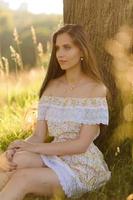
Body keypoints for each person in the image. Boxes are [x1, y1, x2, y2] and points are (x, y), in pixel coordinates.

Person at [0, 24, 111, 200]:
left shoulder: (95, 89)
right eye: (57, 48)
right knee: (12, 162)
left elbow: (80, 145)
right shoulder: (51, 86)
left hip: (81, 165)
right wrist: (15, 149)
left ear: (82, 51)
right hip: (52, 156)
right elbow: (38, 136)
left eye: (67, 47)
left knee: (22, 178)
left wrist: (33, 148)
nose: (60, 53)